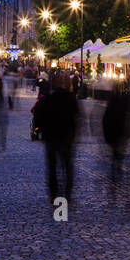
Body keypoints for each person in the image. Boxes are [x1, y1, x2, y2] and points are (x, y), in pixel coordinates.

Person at [36, 71, 79, 205]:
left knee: (52, 167)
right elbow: (76, 118)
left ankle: (54, 194)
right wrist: (74, 134)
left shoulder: (49, 98)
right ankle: (67, 193)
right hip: (66, 137)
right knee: (67, 166)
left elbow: (38, 116)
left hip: (51, 137)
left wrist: (42, 131)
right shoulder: (71, 98)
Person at [101, 90, 130, 178]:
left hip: (113, 132)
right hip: (119, 132)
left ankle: (115, 161)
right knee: (118, 148)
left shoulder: (110, 109)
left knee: (115, 148)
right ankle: (118, 161)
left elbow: (105, 120)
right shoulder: (123, 109)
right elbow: (128, 120)